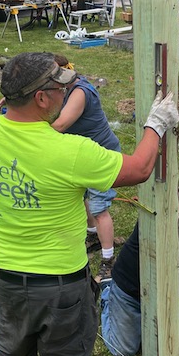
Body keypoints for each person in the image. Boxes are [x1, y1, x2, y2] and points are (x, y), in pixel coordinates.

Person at [0, 51, 178, 356]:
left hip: (7, 271)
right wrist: (155, 125)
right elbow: (140, 168)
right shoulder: (70, 151)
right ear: (41, 98)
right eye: (61, 86)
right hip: (61, 281)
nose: (67, 89)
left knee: (8, 340)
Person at [101, 181, 179, 356]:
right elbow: (160, 273)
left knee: (172, 348)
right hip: (130, 288)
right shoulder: (154, 222)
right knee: (124, 350)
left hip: (163, 293)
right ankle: (108, 296)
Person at [49, 54, 120, 281]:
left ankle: (108, 260)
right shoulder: (62, 91)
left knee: (99, 209)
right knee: (85, 198)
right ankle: (93, 236)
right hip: (82, 155)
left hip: (102, 156)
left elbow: (59, 125)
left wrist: (26, 133)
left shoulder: (80, 92)